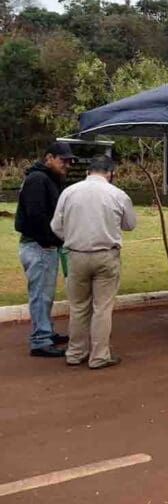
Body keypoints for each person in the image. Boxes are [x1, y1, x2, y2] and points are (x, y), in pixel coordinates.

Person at [50, 156, 137, 369]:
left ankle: (75, 352)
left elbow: (56, 226)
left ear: (88, 171)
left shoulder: (69, 192)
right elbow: (130, 224)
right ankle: (99, 355)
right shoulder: (117, 194)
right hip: (106, 255)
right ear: (110, 172)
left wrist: (72, 237)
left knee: (78, 306)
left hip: (76, 254)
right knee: (102, 307)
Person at [15, 142, 75, 358]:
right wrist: (49, 240)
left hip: (41, 244)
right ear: (49, 157)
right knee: (41, 294)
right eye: (63, 160)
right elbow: (36, 216)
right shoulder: (38, 180)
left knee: (45, 293)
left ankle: (45, 331)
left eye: (69, 161)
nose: (67, 164)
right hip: (38, 245)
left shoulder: (46, 179)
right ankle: (40, 339)